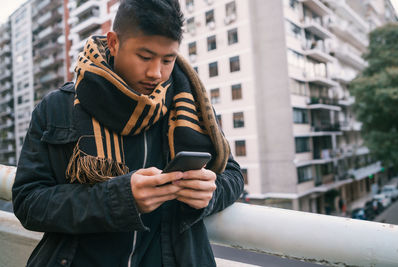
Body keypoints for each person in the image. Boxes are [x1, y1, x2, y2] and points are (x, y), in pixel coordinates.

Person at [11, 0, 244, 266]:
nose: (156, 73)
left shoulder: (190, 103)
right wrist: (118, 199)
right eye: (144, 57)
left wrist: (210, 192)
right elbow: (29, 203)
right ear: (113, 43)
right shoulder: (57, 107)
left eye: (168, 60)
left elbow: (233, 175)